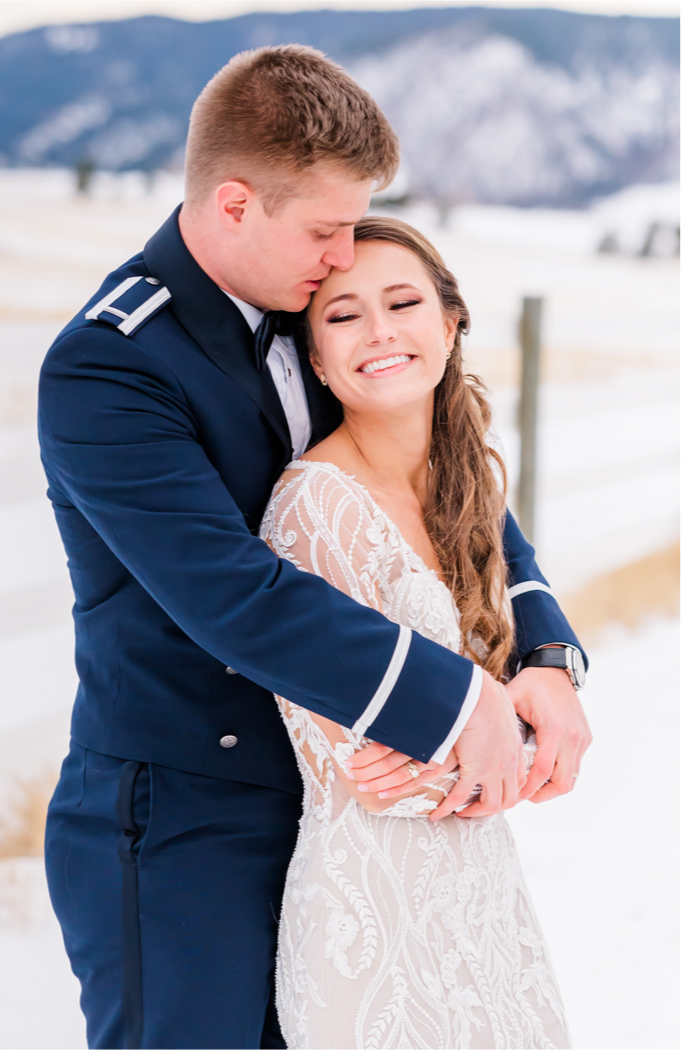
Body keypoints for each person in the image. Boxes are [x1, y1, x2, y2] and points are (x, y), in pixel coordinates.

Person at [36, 45, 591, 1049]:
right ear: (237, 204)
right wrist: (460, 698)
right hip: (183, 819)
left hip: (341, 802)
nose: (347, 258)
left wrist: (543, 652)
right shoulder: (109, 367)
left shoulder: (304, 306)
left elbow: (434, 476)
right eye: (329, 228)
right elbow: (230, 594)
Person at [262, 215, 570, 1048]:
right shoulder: (314, 509)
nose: (380, 332)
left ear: (450, 322)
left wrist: (506, 725)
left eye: (402, 302)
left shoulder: (463, 485)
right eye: (343, 315)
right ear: (315, 360)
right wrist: (505, 732)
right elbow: (367, 769)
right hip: (374, 913)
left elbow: (469, 738)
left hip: (484, 893)